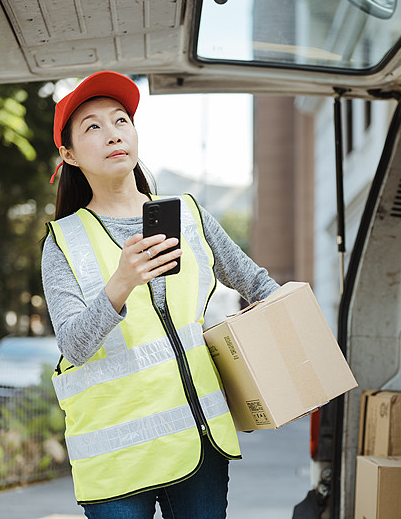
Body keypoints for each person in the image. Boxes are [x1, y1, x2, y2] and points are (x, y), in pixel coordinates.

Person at [40, 71, 279, 519]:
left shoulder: (189, 214)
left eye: (120, 121)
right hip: (117, 461)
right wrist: (121, 282)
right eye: (92, 127)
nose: (113, 134)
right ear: (68, 155)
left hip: (198, 443)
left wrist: (298, 343)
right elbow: (74, 344)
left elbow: (258, 285)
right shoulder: (63, 242)